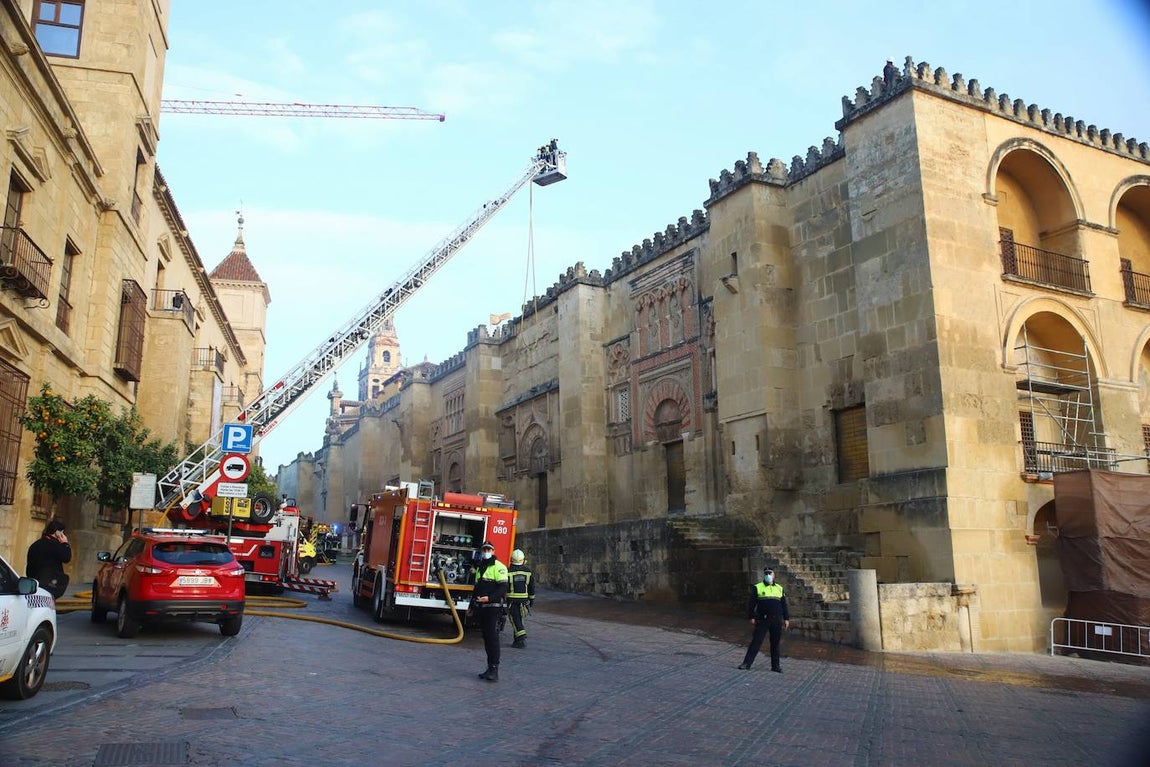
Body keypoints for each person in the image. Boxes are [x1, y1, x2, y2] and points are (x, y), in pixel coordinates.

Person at [738, 567, 789, 672]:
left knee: (775, 643)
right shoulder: (758, 587)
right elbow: (752, 603)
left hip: (776, 619)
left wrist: (786, 618)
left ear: (774, 575)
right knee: (756, 641)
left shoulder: (779, 588)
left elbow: (784, 604)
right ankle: (746, 663)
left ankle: (775, 666)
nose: (768, 575)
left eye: (770, 573)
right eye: (766, 573)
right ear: (764, 575)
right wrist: (751, 616)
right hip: (763, 619)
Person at [472, 540, 508, 682]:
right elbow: (476, 589)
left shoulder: (500, 567)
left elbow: (502, 588)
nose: (486, 552)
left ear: (493, 551)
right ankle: (489, 668)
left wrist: (489, 598)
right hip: (482, 608)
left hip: (494, 608)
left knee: (493, 639)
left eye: (489, 550)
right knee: (487, 638)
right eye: (484, 550)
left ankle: (495, 669)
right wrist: (471, 607)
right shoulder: (480, 568)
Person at [26, 519, 71, 599]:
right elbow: (66, 557)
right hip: (49, 584)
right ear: (58, 532)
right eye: (62, 532)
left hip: (34, 582)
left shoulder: (35, 545)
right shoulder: (54, 545)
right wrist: (65, 543)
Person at [507, 548, 535, 649]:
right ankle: (517, 640)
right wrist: (531, 600)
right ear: (523, 560)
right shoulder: (528, 572)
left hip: (512, 600)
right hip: (524, 601)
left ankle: (521, 637)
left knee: (515, 619)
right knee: (520, 618)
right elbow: (531, 587)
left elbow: (505, 586)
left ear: (511, 559)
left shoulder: (508, 571)